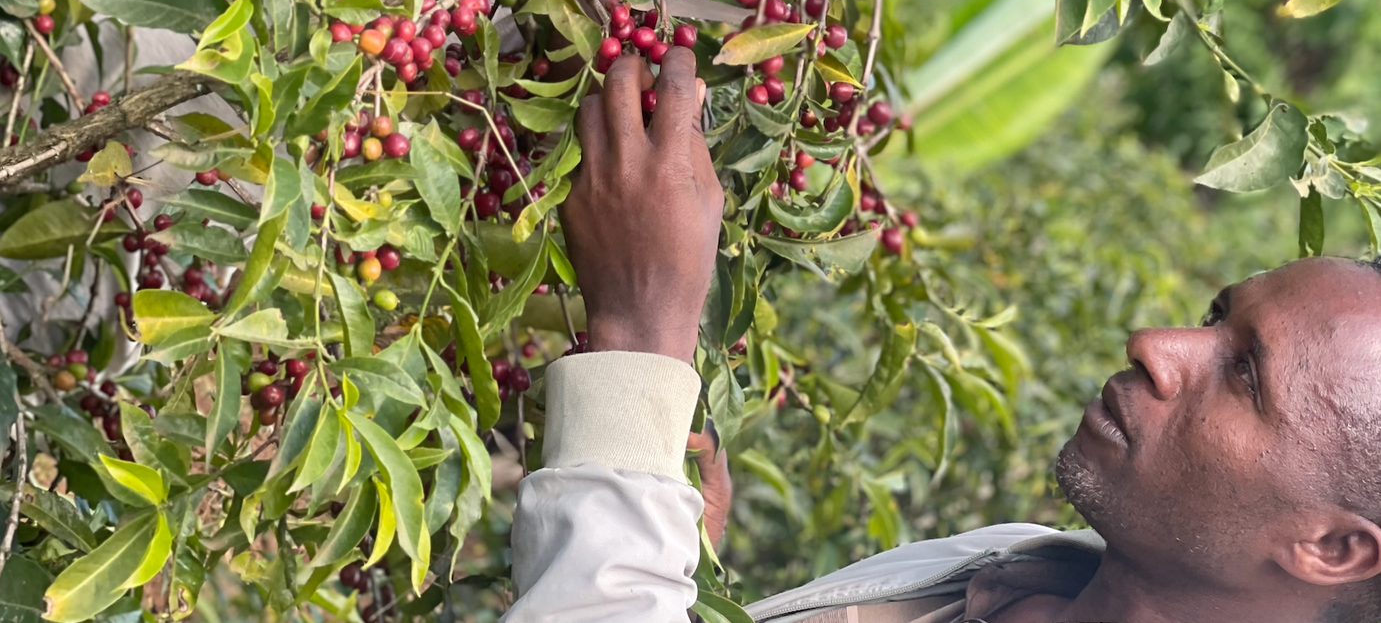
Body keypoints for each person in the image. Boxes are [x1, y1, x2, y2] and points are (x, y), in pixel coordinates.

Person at [510, 43, 1381, 623]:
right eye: (1213, 317)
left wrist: (641, 332)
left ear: (1332, 548)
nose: (1155, 343)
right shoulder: (1007, 568)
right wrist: (672, 563)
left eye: (1243, 376)